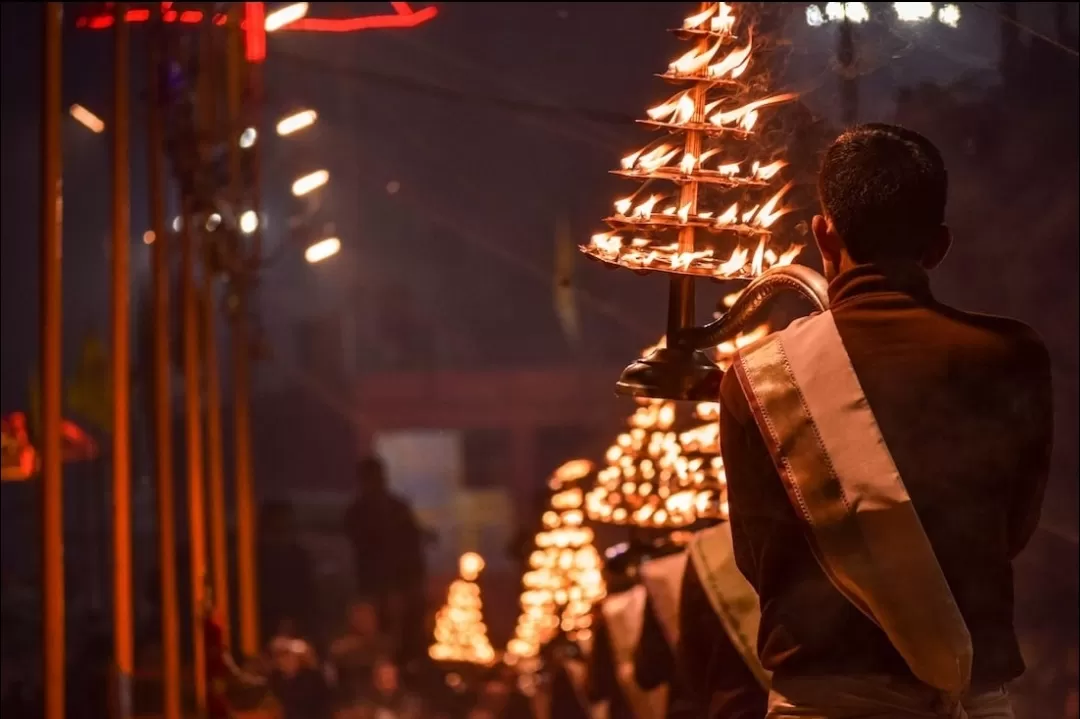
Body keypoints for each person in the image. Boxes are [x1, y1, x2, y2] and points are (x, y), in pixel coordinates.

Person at [719, 124, 1053, 718]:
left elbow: (753, 556)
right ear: (938, 246)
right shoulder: (1010, 357)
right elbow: (1014, 530)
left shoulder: (759, 376)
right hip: (971, 699)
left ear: (824, 233)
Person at [343, 457, 428, 658]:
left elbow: (412, 543)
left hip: (399, 583)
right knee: (376, 636)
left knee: (402, 633)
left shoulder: (396, 508)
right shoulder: (358, 512)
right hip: (373, 585)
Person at [329, 600, 396, 701]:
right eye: (360, 616)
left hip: (382, 700)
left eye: (368, 616)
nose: (365, 620)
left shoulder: (383, 644)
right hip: (350, 700)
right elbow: (335, 654)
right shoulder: (343, 647)